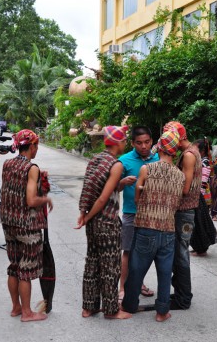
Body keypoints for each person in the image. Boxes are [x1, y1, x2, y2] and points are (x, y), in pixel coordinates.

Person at [122, 130, 185, 322]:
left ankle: (129, 306)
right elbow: (177, 203)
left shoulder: (146, 170)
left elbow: (137, 199)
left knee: (136, 270)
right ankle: (162, 311)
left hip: (146, 227)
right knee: (165, 273)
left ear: (159, 147)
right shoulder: (180, 176)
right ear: (174, 151)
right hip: (167, 230)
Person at [75, 125, 132, 320]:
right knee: (110, 266)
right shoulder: (116, 165)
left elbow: (89, 189)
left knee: (92, 262)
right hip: (106, 221)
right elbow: (102, 199)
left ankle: (88, 307)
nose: (125, 143)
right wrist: (87, 217)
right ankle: (111, 310)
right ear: (117, 142)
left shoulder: (95, 159)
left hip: (93, 224)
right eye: (124, 140)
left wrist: (84, 213)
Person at [0, 129, 52, 322]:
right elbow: (30, 200)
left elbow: (15, 187)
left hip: (8, 222)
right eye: (36, 145)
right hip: (26, 226)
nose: (37, 149)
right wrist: (45, 199)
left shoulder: (7, 164)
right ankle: (27, 313)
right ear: (31, 146)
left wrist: (40, 181)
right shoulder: (32, 168)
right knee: (26, 270)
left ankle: (16, 307)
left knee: (14, 266)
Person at [117, 126, 158, 301]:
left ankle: (138, 283)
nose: (144, 146)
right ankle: (123, 288)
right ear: (132, 143)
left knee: (146, 252)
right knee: (127, 251)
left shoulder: (158, 159)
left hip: (152, 214)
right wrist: (123, 182)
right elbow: (113, 187)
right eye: (139, 143)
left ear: (152, 141)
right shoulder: (124, 161)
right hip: (131, 213)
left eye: (147, 142)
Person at [164, 121, 202, 310]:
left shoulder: (188, 155)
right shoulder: (193, 150)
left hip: (185, 212)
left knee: (180, 254)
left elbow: (185, 188)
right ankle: (181, 292)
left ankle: (183, 298)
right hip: (187, 211)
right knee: (180, 252)